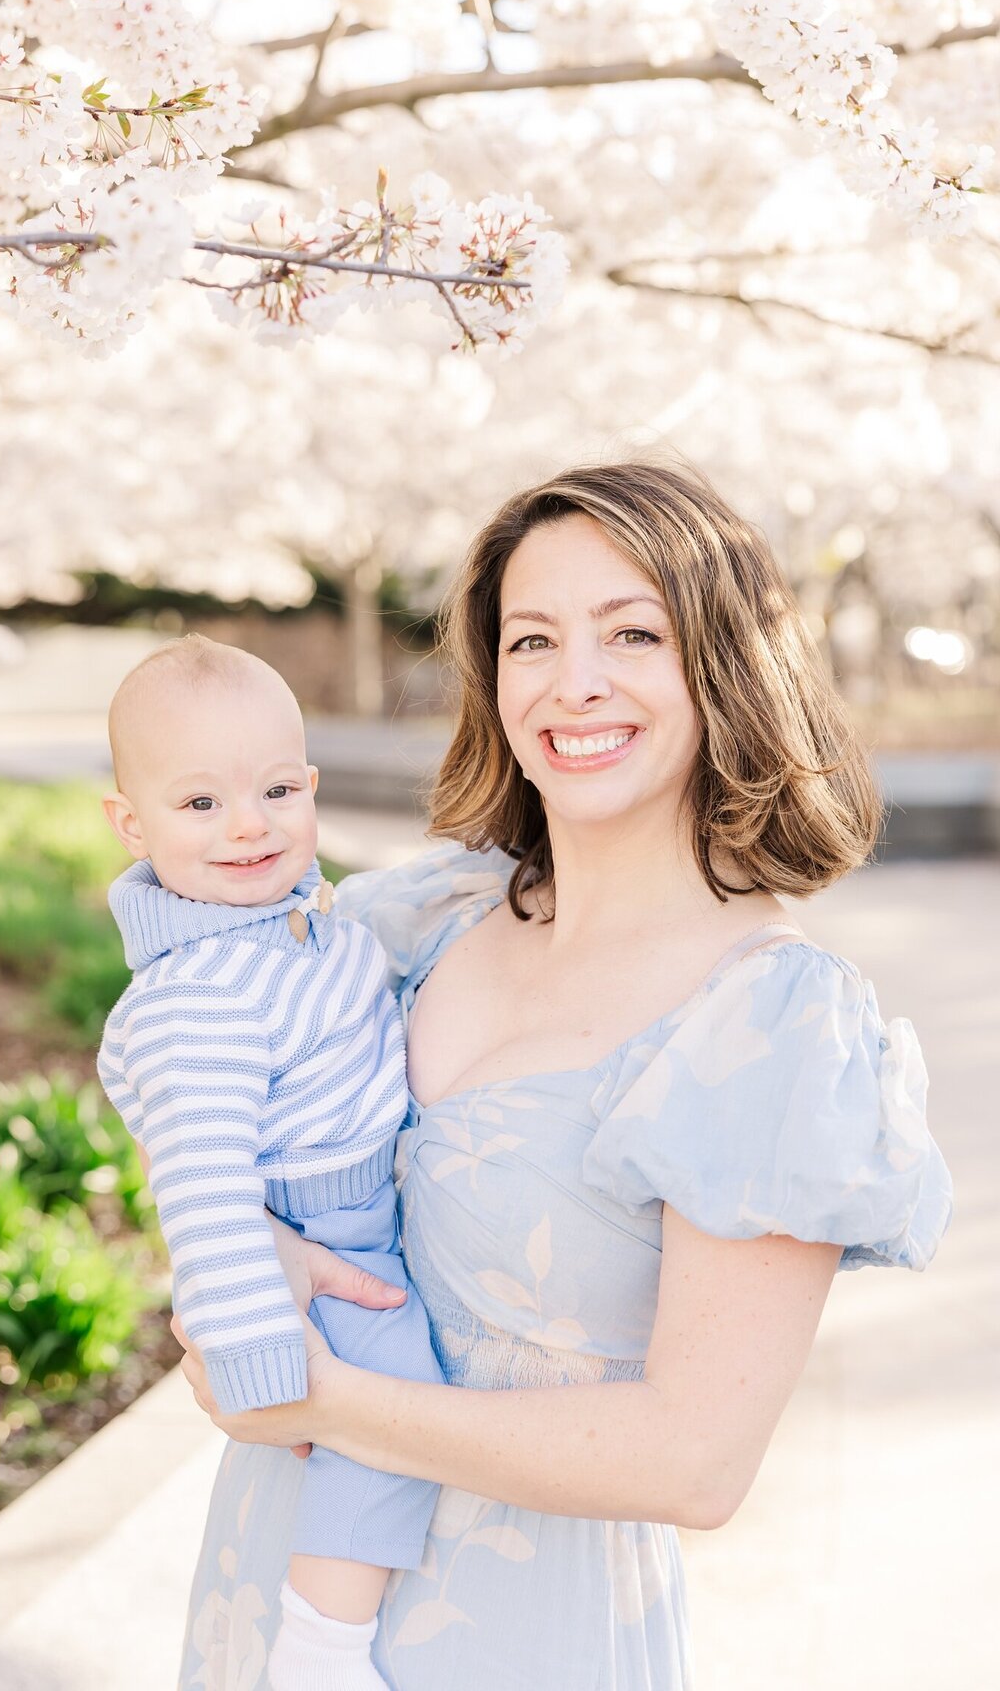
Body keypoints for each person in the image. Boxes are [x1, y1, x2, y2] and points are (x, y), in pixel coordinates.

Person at [170, 456, 953, 1691]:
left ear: (724, 666)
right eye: (531, 639)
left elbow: (694, 1461)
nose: (573, 681)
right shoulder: (416, 918)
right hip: (269, 1583)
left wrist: (317, 1397)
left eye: (632, 632)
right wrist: (239, 1251)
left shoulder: (774, 1024)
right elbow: (195, 1079)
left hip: (517, 1632)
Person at [97, 638, 445, 1691]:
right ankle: (321, 1651)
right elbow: (201, 1195)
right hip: (324, 1228)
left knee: (393, 1418)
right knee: (393, 1417)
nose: (249, 823)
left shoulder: (298, 924)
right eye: (200, 804)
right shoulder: (197, 996)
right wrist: (262, 1366)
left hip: (359, 1200)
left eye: (276, 789)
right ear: (132, 824)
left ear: (312, 788)